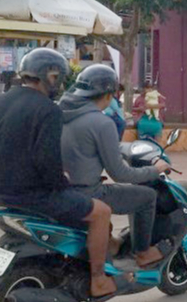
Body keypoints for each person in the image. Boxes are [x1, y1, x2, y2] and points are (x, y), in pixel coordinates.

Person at [0, 48, 132, 299]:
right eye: (58, 78)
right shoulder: (48, 110)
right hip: (32, 195)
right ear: (50, 77)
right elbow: (47, 160)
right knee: (101, 212)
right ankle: (98, 280)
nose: (59, 84)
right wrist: (62, 185)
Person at [60, 65, 172, 269]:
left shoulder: (61, 113)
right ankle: (143, 253)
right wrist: (155, 169)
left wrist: (121, 147)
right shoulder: (101, 122)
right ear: (108, 94)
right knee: (147, 196)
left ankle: (112, 245)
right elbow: (120, 174)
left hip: (63, 190)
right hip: (89, 193)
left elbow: (89, 147)